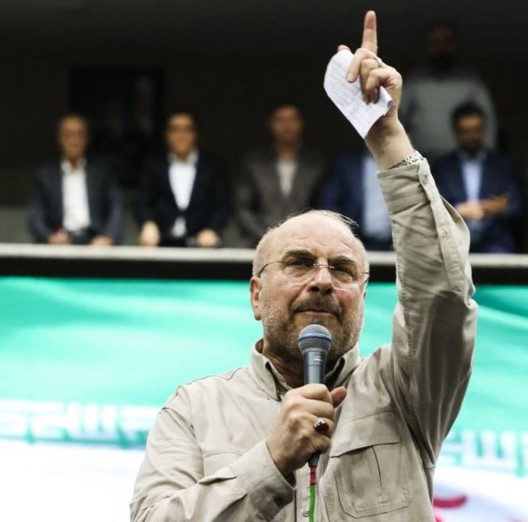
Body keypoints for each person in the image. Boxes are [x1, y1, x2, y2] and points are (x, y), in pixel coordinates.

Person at [131, 11, 476, 521]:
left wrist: (387, 139)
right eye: (298, 263)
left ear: (363, 295)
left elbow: (442, 295)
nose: (322, 281)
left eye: (343, 269)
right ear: (256, 294)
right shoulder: (195, 409)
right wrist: (271, 461)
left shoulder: (403, 389)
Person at [400, 21, 498, 159]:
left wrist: (487, 158)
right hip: (422, 159)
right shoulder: (414, 82)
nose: (441, 47)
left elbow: (489, 123)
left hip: (461, 161)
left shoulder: (471, 82)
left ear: (453, 45)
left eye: (445, 41)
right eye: (435, 42)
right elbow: (399, 119)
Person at [434, 103, 521, 253]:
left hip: (494, 242)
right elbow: (433, 207)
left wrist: (499, 208)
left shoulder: (501, 164)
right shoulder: (443, 167)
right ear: (456, 133)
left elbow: (516, 205)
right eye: (467, 131)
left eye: (477, 130)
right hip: (453, 241)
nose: (472, 137)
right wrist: (459, 210)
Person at [234, 104, 326, 246]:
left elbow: (325, 207)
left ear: (302, 123)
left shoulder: (317, 164)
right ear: (270, 124)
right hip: (259, 243)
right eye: (280, 120)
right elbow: (243, 208)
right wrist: (268, 238)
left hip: (308, 244)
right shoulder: (254, 163)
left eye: (292, 120)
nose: (287, 126)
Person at [136, 112, 230, 248]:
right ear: (166, 135)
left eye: (187, 130)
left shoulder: (212, 166)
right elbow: (142, 201)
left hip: (202, 244)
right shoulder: (153, 165)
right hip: (160, 243)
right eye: (175, 130)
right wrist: (148, 223)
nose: (181, 136)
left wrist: (212, 229)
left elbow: (223, 205)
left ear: (195, 134)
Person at [29, 114, 124, 246]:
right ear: (59, 139)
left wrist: (108, 237)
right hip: (59, 240)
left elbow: (116, 208)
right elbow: (36, 214)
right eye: (68, 135)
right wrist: (49, 237)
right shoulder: (45, 176)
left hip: (96, 240)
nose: (74, 141)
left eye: (79, 135)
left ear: (87, 139)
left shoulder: (102, 173)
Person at [318, 146, 394, 251]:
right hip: (351, 243)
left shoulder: (406, 163)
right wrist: (341, 237)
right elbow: (329, 204)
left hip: (394, 246)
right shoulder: (345, 164)